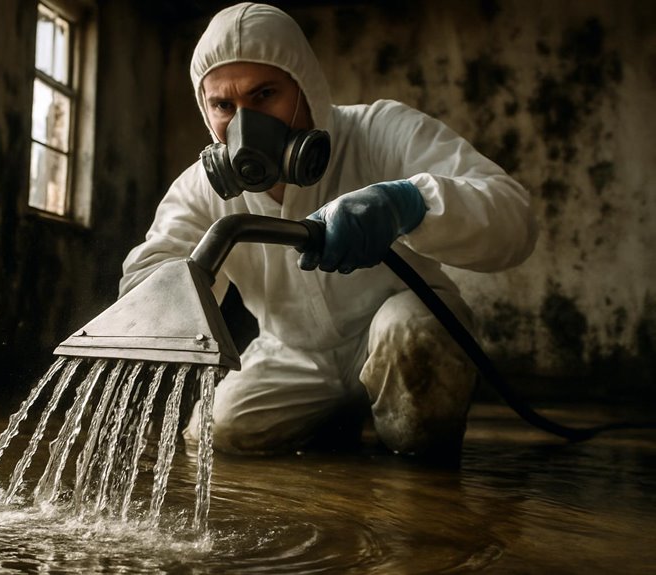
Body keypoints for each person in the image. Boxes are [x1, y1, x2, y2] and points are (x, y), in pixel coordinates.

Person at [120, 3, 538, 457]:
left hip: (395, 336)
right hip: (294, 356)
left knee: (416, 342)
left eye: (264, 96)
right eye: (224, 105)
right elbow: (152, 277)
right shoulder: (202, 189)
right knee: (220, 434)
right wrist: (169, 290)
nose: (245, 127)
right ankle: (334, 420)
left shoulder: (380, 131)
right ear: (207, 110)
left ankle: (413, 452)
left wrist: (410, 203)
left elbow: (514, 218)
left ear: (306, 88)